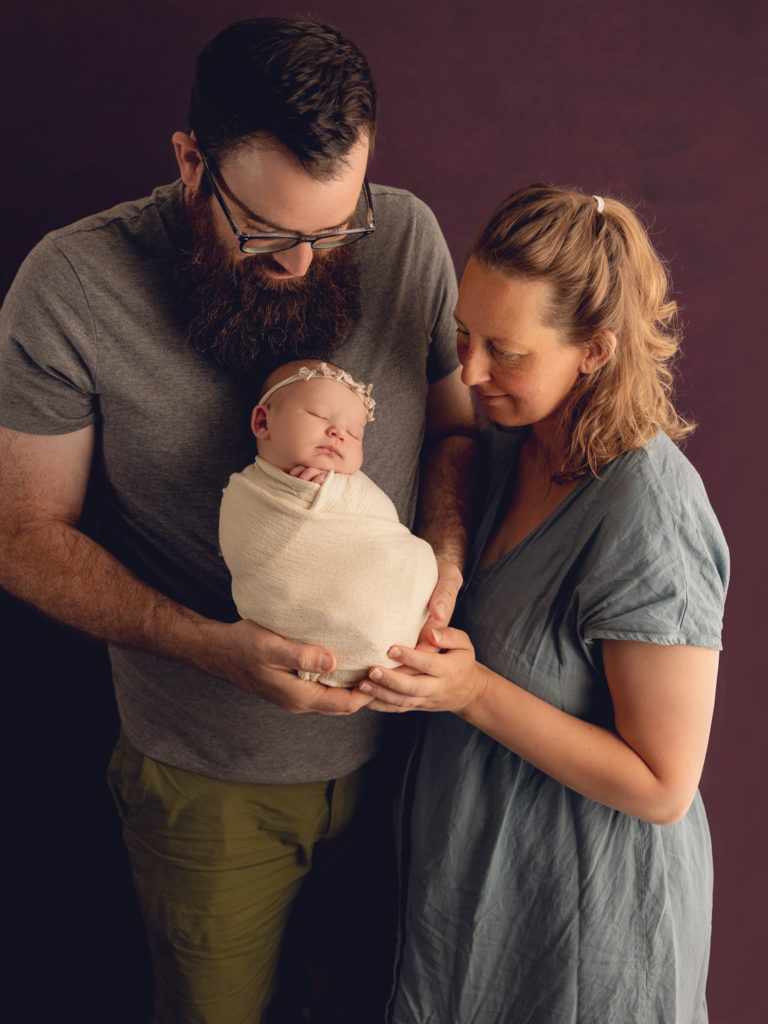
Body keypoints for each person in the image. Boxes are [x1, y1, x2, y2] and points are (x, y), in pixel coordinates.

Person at [0, 16, 475, 1023]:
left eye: (335, 229)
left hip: (414, 765)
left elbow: (454, 436)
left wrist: (446, 553)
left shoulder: (411, 238)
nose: (305, 262)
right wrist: (214, 648)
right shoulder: (72, 285)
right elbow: (22, 531)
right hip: (206, 786)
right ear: (189, 161)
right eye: (267, 233)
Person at [359, 185, 729, 1024]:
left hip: (588, 927)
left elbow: (665, 785)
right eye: (463, 335)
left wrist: (471, 690)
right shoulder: (510, 446)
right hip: (475, 909)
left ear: (593, 352)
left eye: (506, 351)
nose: (470, 371)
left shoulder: (647, 508)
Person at [219, 359, 439, 688]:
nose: (338, 434)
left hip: (395, 629)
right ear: (263, 422)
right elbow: (245, 551)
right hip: (293, 649)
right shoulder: (244, 495)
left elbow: (385, 526)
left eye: (354, 434)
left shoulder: (355, 489)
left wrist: (339, 493)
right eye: (320, 416)